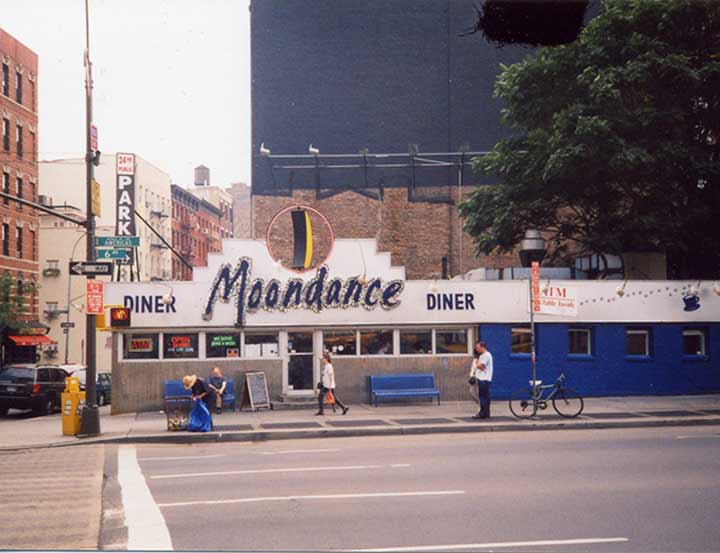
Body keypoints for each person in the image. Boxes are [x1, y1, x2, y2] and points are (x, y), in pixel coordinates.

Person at [316, 352, 349, 416]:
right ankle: (344, 408)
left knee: (321, 397)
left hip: (328, 386)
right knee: (333, 398)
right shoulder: (325, 366)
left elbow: (331, 376)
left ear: (326, 359)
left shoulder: (329, 366)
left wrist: (330, 386)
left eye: (323, 358)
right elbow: (325, 375)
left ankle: (321, 411)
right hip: (325, 385)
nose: (322, 359)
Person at [472, 341, 493, 419]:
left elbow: (481, 366)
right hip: (483, 378)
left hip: (484, 379)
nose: (476, 349)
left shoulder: (486, 355)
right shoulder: (483, 355)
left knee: (482, 397)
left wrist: (476, 363)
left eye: (478, 347)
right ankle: (486, 413)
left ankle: (482, 413)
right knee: (485, 397)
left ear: (483, 347)